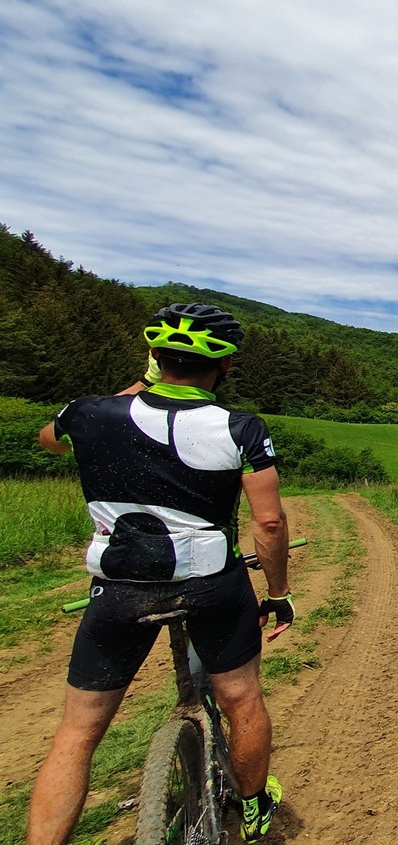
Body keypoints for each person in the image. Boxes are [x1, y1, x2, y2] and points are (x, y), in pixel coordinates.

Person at [27, 304, 295, 845]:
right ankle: (253, 805)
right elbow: (268, 521)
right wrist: (278, 592)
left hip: (119, 587)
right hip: (211, 584)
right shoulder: (240, 427)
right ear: (225, 365)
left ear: (154, 356)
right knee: (241, 697)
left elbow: (48, 439)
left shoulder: (89, 412)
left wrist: (140, 385)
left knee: (77, 733)